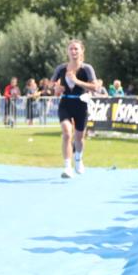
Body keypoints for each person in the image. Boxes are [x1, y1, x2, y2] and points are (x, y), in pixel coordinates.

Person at [51, 40, 100, 178]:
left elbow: (95, 87)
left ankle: (78, 159)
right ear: (67, 51)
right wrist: (56, 88)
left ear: (81, 51)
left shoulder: (87, 69)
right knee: (67, 133)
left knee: (79, 138)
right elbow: (51, 84)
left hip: (81, 104)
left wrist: (77, 81)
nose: (73, 52)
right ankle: (67, 167)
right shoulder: (61, 68)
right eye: (71, 49)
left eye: (76, 49)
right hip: (65, 103)